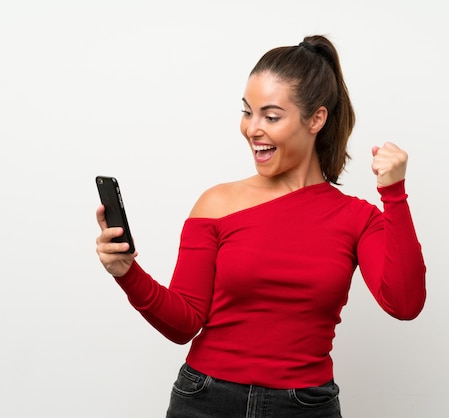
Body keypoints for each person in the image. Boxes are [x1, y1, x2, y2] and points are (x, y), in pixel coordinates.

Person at [95, 34, 426, 418]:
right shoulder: (216, 203)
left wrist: (394, 194)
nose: (252, 129)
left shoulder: (358, 218)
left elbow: (404, 304)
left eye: (270, 116)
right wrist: (126, 272)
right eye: (247, 112)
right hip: (205, 400)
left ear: (316, 119)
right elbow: (184, 322)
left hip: (306, 406)